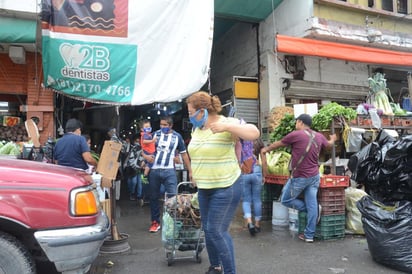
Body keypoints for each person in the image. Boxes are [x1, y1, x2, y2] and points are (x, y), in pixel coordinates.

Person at [186, 91, 260, 274]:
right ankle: (216, 266)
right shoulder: (197, 129)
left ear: (202, 111)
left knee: (216, 230)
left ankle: (229, 271)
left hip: (226, 187)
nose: (189, 117)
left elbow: (254, 133)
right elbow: (198, 153)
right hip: (205, 188)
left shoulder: (226, 122)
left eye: (190, 113)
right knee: (208, 229)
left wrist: (227, 128)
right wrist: (195, 172)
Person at [261, 113, 336, 243]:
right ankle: (309, 235)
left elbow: (279, 144)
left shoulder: (295, 135)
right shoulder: (319, 136)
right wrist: (333, 139)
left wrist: (266, 149)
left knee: (285, 200)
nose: (296, 124)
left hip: (300, 177)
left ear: (300, 122)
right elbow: (328, 145)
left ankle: (309, 210)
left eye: (297, 122)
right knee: (312, 204)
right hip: (314, 176)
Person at [142, 116, 192, 233]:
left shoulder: (177, 137)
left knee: (173, 197)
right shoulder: (155, 134)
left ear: (171, 125)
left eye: (165, 125)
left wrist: (190, 170)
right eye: (161, 125)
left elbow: (184, 154)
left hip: (169, 170)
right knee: (154, 197)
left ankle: (172, 223)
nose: (162, 127)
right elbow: (145, 147)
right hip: (154, 170)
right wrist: (145, 157)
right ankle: (155, 222)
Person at [239, 137, 265, 236]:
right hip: (257, 171)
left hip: (245, 172)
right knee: (257, 199)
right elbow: (265, 163)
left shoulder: (242, 145)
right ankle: (257, 224)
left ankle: (249, 222)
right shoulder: (260, 147)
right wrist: (264, 175)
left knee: (246, 200)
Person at [124, 134, 145, 206]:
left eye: (139, 141)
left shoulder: (143, 148)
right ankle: (132, 193)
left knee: (140, 182)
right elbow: (127, 156)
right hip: (132, 168)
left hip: (140, 168)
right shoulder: (130, 148)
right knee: (133, 182)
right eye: (136, 141)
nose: (137, 143)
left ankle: (139, 196)